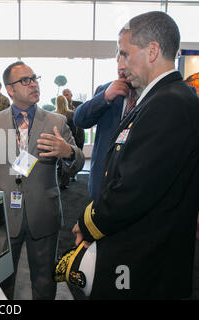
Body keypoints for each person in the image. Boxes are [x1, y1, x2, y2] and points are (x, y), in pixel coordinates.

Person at [66, 11, 199, 299]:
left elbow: (133, 188)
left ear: (152, 51)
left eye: (125, 54)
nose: (120, 64)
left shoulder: (168, 104)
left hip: (146, 260)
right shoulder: (160, 98)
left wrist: (87, 225)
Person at [0, 61, 84, 300]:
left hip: (43, 212)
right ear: (10, 90)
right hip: (5, 215)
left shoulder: (56, 122)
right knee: (3, 280)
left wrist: (69, 152)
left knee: (44, 279)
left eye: (35, 78)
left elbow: (78, 163)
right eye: (26, 80)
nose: (34, 84)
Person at [73, 59, 142, 202]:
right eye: (118, 61)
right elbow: (79, 119)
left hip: (135, 185)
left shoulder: (153, 94)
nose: (121, 67)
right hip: (101, 184)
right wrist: (104, 97)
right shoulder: (106, 89)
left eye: (127, 59)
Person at [54, 95, 76, 189]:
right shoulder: (71, 114)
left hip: (57, 141)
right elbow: (75, 130)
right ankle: (65, 182)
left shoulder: (53, 115)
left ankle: (58, 179)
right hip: (68, 141)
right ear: (66, 102)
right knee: (67, 162)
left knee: (58, 162)